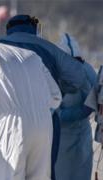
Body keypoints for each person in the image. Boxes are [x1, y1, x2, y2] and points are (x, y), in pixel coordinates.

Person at [0, 14, 92, 179]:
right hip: (43, 122)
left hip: (5, 122)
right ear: (34, 29)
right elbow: (77, 77)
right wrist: (60, 91)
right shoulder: (47, 47)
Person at [0, 42, 62, 180]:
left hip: (11, 126)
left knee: (10, 175)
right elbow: (55, 97)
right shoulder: (32, 56)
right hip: (44, 126)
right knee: (39, 176)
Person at [54, 33, 96, 180]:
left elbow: (98, 95)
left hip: (81, 135)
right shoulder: (55, 72)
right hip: (62, 137)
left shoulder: (86, 69)